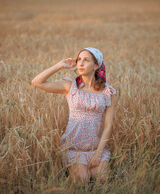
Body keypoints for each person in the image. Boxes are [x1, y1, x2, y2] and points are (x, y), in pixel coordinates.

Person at [31, 47, 117, 186]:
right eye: (79, 60)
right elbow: (36, 82)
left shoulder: (108, 92)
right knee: (81, 181)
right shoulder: (70, 86)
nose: (81, 63)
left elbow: (108, 126)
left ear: (96, 65)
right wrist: (60, 65)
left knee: (102, 179)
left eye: (86, 60)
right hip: (73, 148)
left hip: (96, 148)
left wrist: (98, 154)